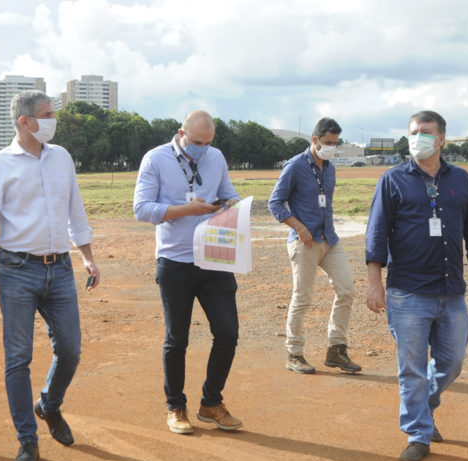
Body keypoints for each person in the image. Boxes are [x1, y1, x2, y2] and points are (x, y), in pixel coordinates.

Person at [0, 90, 100, 461]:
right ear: (24, 122)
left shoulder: (61, 158)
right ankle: (27, 440)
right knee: (18, 358)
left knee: (71, 349)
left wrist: (88, 257)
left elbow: (76, 210)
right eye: (46, 115)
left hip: (59, 268)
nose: (52, 120)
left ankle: (49, 404)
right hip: (16, 270)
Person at [365, 110, 468, 461]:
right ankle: (418, 433)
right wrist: (375, 283)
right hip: (407, 293)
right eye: (412, 132)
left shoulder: (462, 180)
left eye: (424, 132)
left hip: (451, 292)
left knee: (452, 363)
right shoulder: (392, 180)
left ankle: (424, 407)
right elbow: (376, 235)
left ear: (441, 139)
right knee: (412, 367)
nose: (416, 137)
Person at [133, 110, 243, 435]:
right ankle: (175, 408)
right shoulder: (155, 160)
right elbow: (141, 209)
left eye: (208, 143)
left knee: (227, 333)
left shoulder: (216, 157)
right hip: (175, 261)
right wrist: (186, 211)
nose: (202, 149)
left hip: (213, 256)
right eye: (196, 142)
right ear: (181, 133)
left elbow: (228, 191)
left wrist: (233, 204)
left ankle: (211, 403)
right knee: (177, 338)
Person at [268, 117, 361, 375]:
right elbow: (275, 203)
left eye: (335, 143)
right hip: (304, 242)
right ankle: (294, 353)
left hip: (329, 240)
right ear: (315, 139)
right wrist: (298, 227)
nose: (331, 147)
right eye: (327, 142)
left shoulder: (329, 167)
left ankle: (336, 349)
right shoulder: (295, 166)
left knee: (347, 289)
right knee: (303, 297)